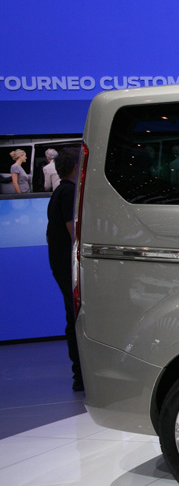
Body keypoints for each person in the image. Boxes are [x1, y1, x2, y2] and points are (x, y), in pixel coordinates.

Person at [45, 148, 83, 391]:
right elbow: (73, 232)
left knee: (73, 315)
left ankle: (79, 373)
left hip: (60, 264)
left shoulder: (59, 192)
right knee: (76, 317)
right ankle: (81, 373)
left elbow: (50, 235)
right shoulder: (69, 192)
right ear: (76, 167)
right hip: (69, 267)